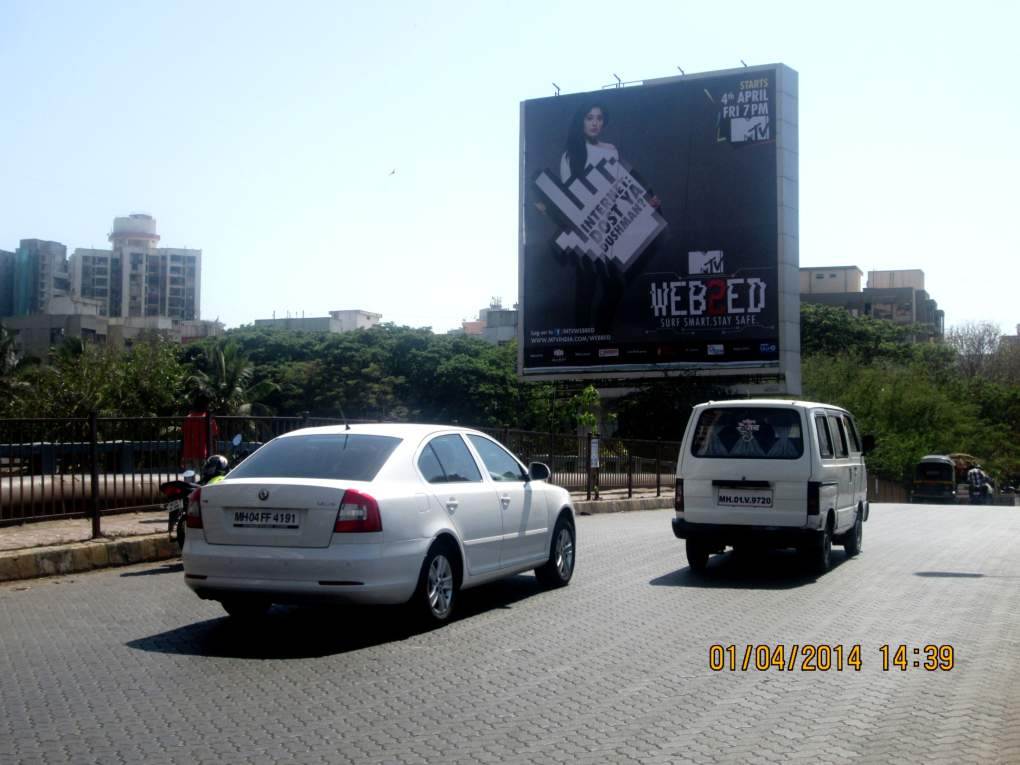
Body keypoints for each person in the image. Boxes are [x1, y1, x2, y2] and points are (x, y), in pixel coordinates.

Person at [181, 395, 219, 473]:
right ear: (206, 405)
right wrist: (215, 454)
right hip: (202, 453)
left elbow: (183, 437)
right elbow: (214, 437)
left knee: (189, 479)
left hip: (188, 453)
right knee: (203, 479)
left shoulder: (188, 418)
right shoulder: (208, 419)